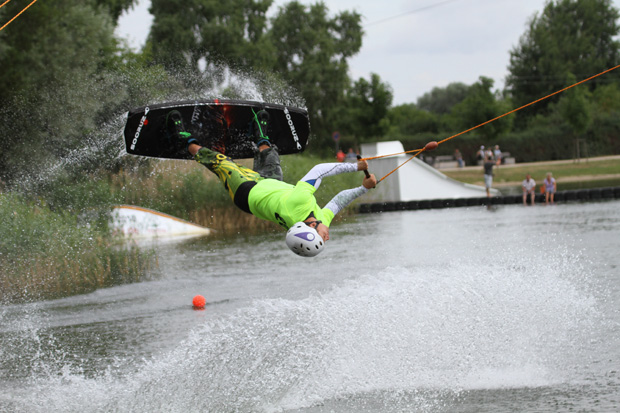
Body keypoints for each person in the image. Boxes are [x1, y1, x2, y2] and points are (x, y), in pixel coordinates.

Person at [165, 109, 377, 257]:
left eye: (322, 237)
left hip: (246, 193)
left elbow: (318, 170)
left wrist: (354, 166)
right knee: (271, 153)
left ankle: (184, 139)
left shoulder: (299, 203)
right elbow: (339, 201)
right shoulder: (320, 220)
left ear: (311, 227)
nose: (328, 237)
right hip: (272, 185)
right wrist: (362, 188)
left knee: (220, 162)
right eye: (324, 238)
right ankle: (258, 135)